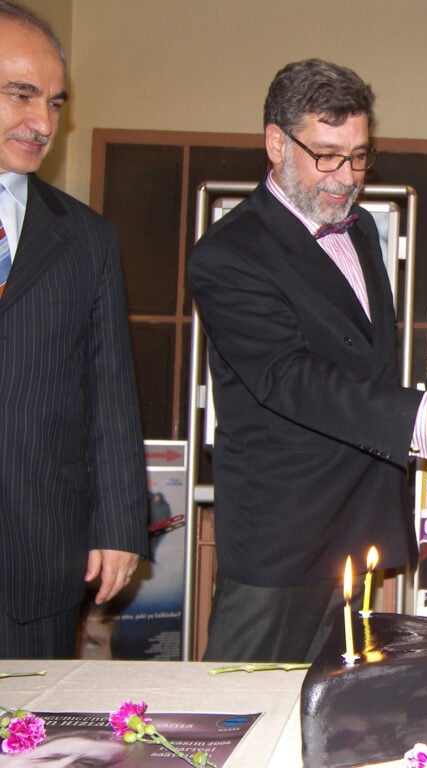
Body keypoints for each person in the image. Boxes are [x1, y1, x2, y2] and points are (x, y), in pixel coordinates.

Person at [187, 59, 427, 663]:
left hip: (359, 526)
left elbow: (367, 370)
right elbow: (291, 379)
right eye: (326, 155)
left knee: (339, 715)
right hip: (281, 542)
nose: (346, 177)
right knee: (246, 709)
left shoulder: (363, 229)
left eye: (360, 156)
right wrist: (426, 417)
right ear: (275, 144)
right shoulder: (228, 254)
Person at [0, 1, 147, 659]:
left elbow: (110, 391)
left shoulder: (86, 238)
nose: (42, 123)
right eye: (21, 95)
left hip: (37, 557)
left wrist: (119, 524)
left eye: (55, 103)